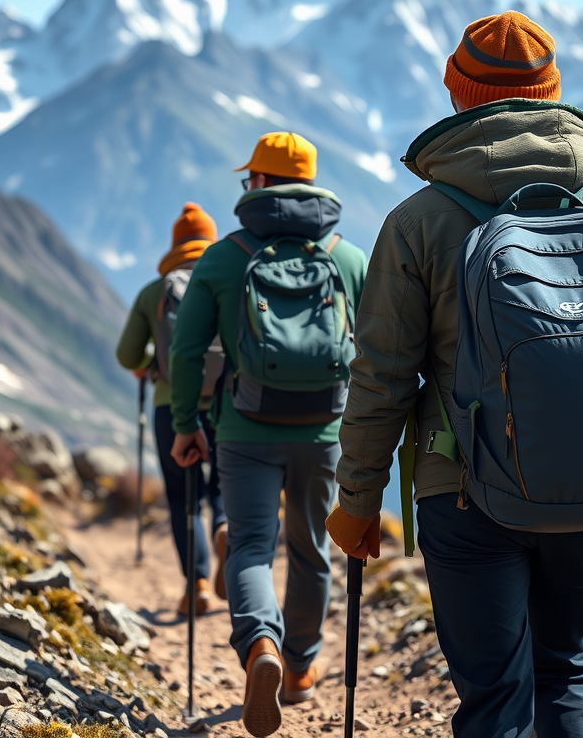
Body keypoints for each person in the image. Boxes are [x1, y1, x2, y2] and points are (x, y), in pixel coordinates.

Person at [326, 11, 583, 738]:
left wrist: (358, 499)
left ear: (457, 92)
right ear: (553, 92)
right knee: (570, 670)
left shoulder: (418, 222)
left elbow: (382, 376)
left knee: (496, 694)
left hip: (464, 490)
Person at [169, 131, 367, 738]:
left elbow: (186, 351)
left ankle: (261, 645)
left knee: (252, 545)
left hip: (244, 429)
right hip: (324, 431)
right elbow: (377, 350)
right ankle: (301, 669)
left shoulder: (223, 257)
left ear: (257, 183)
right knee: (310, 548)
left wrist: (186, 424)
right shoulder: (347, 258)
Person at [116, 201, 227, 617]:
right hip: (228, 403)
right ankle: (224, 528)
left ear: (175, 244)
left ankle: (197, 584)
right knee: (224, 486)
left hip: (170, 406)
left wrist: (152, 366)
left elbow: (127, 354)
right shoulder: (229, 280)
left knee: (184, 497)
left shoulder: (154, 293)